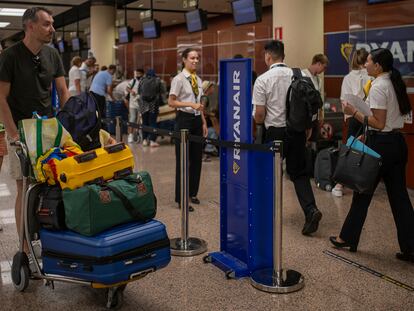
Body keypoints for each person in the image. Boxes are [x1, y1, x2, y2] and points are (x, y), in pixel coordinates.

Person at [330, 48, 414, 264]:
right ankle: (410, 248)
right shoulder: (393, 82)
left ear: (377, 66)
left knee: (362, 192)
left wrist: (353, 111)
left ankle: (346, 238)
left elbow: (378, 122)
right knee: (399, 198)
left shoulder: (378, 87)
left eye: (368, 61)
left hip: (383, 145)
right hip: (396, 143)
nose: (364, 64)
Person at [0, 7, 70, 249]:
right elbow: (1, 98)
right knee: (25, 186)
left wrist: (70, 125)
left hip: (48, 129)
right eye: (47, 24)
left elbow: (63, 92)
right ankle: (24, 246)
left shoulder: (52, 55)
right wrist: (13, 134)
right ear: (30, 26)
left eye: (52, 24)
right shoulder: (10, 56)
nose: (52, 29)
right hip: (20, 130)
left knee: (54, 182)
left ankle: (52, 235)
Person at [253, 40, 322, 236]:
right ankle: (311, 210)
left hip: (274, 133)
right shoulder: (299, 75)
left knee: (267, 173)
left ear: (268, 56)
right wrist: (307, 128)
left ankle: (265, 215)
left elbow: (259, 115)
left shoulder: (263, 79)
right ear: (283, 55)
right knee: (299, 174)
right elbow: (310, 105)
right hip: (297, 131)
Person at [168, 48, 208, 212]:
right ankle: (181, 198)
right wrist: (190, 105)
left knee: (197, 159)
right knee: (183, 160)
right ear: (184, 59)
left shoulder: (197, 79)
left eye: (197, 58)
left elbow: (199, 103)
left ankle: (192, 192)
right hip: (184, 120)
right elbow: (171, 102)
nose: (195, 61)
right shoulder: (178, 79)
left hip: (197, 120)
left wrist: (204, 122)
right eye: (192, 58)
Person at [332, 48, 370, 197]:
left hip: (352, 117)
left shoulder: (348, 78)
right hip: (369, 118)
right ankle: (361, 182)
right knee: (366, 150)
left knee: (349, 149)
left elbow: (344, 102)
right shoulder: (372, 78)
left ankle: (339, 184)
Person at [139, 69, 165, 147]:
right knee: (153, 122)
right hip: (153, 105)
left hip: (143, 105)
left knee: (144, 122)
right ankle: (152, 141)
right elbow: (162, 91)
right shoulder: (158, 80)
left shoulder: (142, 80)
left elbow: (139, 91)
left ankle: (144, 140)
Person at [126, 68, 144, 143]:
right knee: (132, 119)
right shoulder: (133, 81)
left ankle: (140, 134)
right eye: (136, 74)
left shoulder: (144, 81)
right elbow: (127, 88)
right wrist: (131, 91)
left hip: (141, 104)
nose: (137, 75)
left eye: (139, 74)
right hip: (132, 104)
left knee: (140, 120)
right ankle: (130, 135)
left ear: (142, 74)